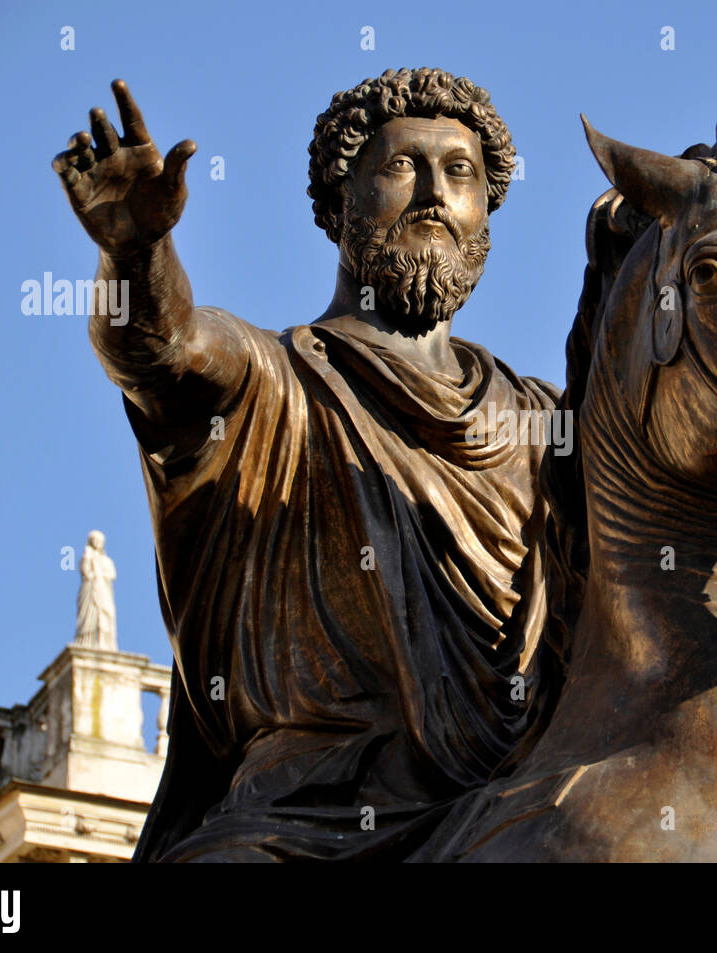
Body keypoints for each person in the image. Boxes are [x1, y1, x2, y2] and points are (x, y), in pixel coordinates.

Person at [51, 68, 559, 861]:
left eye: (460, 174)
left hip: (518, 807)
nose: (434, 193)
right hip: (298, 825)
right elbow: (159, 349)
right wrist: (136, 249)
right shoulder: (270, 380)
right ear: (336, 203)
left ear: (486, 212)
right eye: (400, 167)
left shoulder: (547, 424)